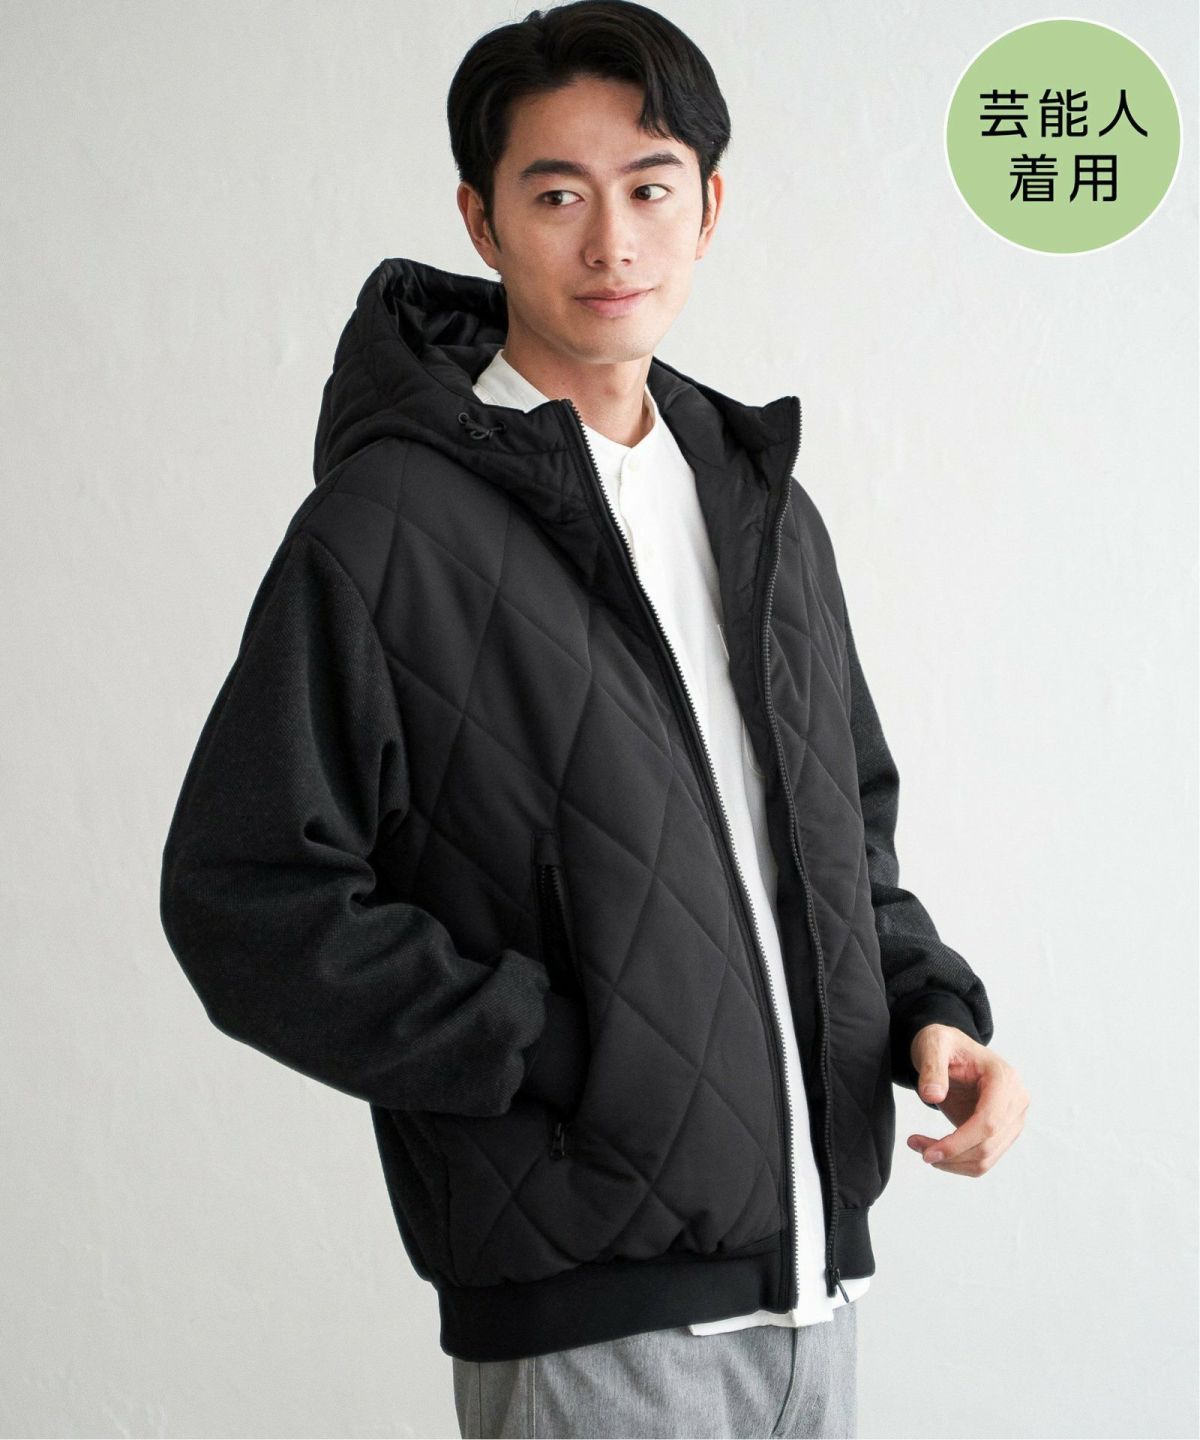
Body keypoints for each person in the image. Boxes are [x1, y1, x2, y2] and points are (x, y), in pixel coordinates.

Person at [159, 3, 1030, 1435]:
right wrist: (555, 1049)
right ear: (483, 220)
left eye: (650, 188)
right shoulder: (386, 529)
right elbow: (244, 894)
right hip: (589, 1326)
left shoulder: (763, 511)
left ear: (710, 208)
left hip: (815, 1301)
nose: (612, 242)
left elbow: (837, 846)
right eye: (558, 195)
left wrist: (929, 1012)